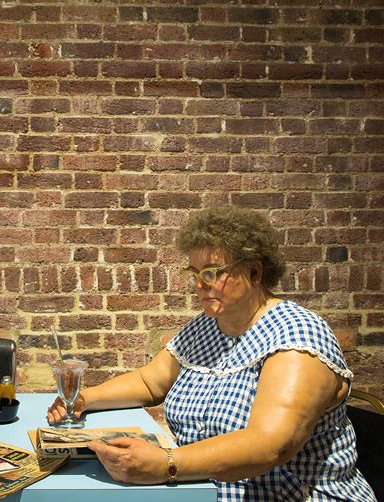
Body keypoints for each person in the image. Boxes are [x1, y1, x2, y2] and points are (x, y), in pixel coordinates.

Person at [47, 206, 375, 501]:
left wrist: (166, 465)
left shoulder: (297, 335)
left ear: (255, 273)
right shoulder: (207, 326)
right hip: (204, 491)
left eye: (213, 272)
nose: (200, 284)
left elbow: (270, 445)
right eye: (194, 272)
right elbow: (151, 382)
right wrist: (84, 399)